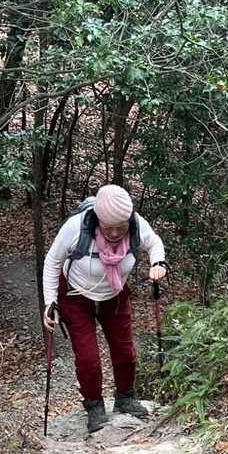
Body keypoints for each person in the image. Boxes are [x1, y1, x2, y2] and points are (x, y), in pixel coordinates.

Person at [42, 185, 167, 433]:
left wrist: (158, 263)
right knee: (88, 358)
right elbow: (53, 261)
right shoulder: (76, 227)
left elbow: (154, 242)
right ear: (98, 219)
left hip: (115, 294)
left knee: (125, 351)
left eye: (120, 226)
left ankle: (125, 397)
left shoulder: (136, 225)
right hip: (76, 296)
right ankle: (94, 406)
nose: (115, 232)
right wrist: (50, 302)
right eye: (108, 226)